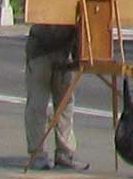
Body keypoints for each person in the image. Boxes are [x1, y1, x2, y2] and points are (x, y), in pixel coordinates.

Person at [24, 21, 86, 171]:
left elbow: (81, 28)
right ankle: (37, 154)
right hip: (40, 52)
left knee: (65, 105)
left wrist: (79, 57)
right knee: (38, 106)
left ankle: (64, 154)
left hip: (62, 54)